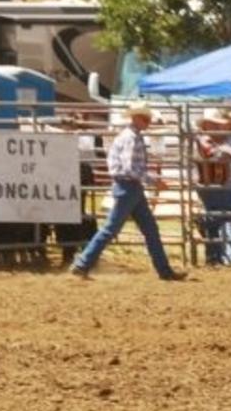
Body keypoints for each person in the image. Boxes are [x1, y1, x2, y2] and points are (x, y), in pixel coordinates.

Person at [69, 101, 186, 281]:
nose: (148, 120)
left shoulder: (129, 136)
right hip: (129, 186)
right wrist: (153, 180)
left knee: (147, 229)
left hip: (130, 187)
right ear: (136, 118)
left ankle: (164, 270)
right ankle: (82, 263)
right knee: (114, 229)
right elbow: (130, 168)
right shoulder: (131, 138)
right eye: (145, 117)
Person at [194, 108, 231, 266]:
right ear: (206, 125)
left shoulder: (214, 140)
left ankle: (213, 257)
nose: (218, 127)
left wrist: (225, 151)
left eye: (218, 125)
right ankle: (205, 221)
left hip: (214, 183)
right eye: (214, 124)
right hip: (209, 184)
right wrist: (224, 152)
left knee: (215, 220)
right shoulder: (204, 140)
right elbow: (214, 155)